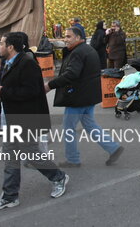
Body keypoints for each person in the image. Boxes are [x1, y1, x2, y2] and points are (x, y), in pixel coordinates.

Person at [0, 33, 68, 210]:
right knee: (11, 158)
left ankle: (59, 177)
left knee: (33, 155)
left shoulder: (27, 63)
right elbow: (14, 88)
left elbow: (33, 92)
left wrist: (5, 92)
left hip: (25, 120)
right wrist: (2, 91)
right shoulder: (10, 63)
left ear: (11, 47)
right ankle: (10, 196)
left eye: (1, 44)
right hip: (11, 119)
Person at [45, 27, 124, 167]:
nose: (65, 39)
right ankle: (113, 148)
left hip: (78, 97)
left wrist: (50, 85)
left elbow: (71, 74)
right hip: (88, 96)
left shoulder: (78, 52)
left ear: (78, 37)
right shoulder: (87, 50)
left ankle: (73, 159)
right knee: (90, 124)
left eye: (69, 36)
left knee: (68, 128)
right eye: (65, 36)